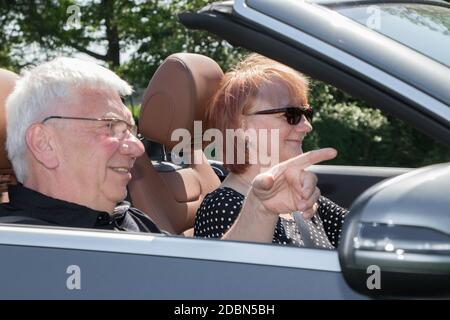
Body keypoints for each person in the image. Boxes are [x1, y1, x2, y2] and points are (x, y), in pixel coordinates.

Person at [0, 57, 337, 242]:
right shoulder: (19, 248)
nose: (135, 147)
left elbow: (209, 292)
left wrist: (260, 211)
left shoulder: (128, 218)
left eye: (129, 130)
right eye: (109, 127)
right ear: (44, 143)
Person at [194, 54, 348, 248]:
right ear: (241, 126)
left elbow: (358, 231)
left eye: (306, 113)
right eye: (291, 114)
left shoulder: (294, 193)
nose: (306, 126)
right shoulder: (222, 207)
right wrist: (261, 209)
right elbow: (231, 274)